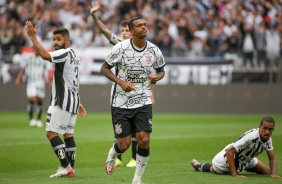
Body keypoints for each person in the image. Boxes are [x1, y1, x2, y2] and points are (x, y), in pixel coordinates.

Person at [90, 0, 156, 168]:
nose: (125, 33)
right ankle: (117, 156)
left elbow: (149, 74)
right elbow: (104, 30)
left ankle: (134, 158)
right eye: (124, 31)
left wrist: (152, 94)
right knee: (121, 131)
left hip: (139, 95)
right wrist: (94, 15)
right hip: (119, 94)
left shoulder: (145, 48)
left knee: (139, 131)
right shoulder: (119, 45)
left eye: (127, 30)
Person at [101, 16, 165, 184]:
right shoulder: (120, 48)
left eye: (145, 24)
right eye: (139, 25)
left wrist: (156, 77)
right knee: (124, 144)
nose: (144, 27)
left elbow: (161, 71)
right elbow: (104, 69)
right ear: (131, 31)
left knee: (144, 139)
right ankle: (113, 154)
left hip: (143, 100)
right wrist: (120, 82)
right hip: (120, 102)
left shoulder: (154, 50)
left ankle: (137, 179)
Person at [24, 20, 86, 178]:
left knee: (51, 134)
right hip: (72, 102)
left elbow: (44, 55)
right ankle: (71, 168)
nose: (56, 43)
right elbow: (75, 80)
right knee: (68, 134)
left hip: (61, 101)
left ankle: (65, 166)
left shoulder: (64, 53)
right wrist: (78, 101)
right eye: (54, 40)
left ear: (67, 40)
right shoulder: (75, 55)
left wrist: (32, 37)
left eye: (58, 39)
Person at [190, 116, 281, 178]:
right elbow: (230, 152)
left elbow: (272, 159)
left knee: (267, 172)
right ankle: (199, 166)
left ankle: (245, 167)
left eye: (270, 129)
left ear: (273, 129)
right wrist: (235, 175)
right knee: (214, 169)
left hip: (246, 159)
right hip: (225, 158)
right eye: (264, 128)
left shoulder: (268, 138)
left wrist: (274, 174)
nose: (267, 132)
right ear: (259, 127)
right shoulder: (251, 137)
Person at [15, 48, 52, 127]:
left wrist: (50, 82)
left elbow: (49, 71)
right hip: (31, 82)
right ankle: (31, 119)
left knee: (39, 101)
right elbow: (23, 69)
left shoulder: (44, 59)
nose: (36, 51)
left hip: (40, 83)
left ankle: (38, 120)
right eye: (35, 49)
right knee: (32, 99)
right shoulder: (29, 59)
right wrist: (18, 79)